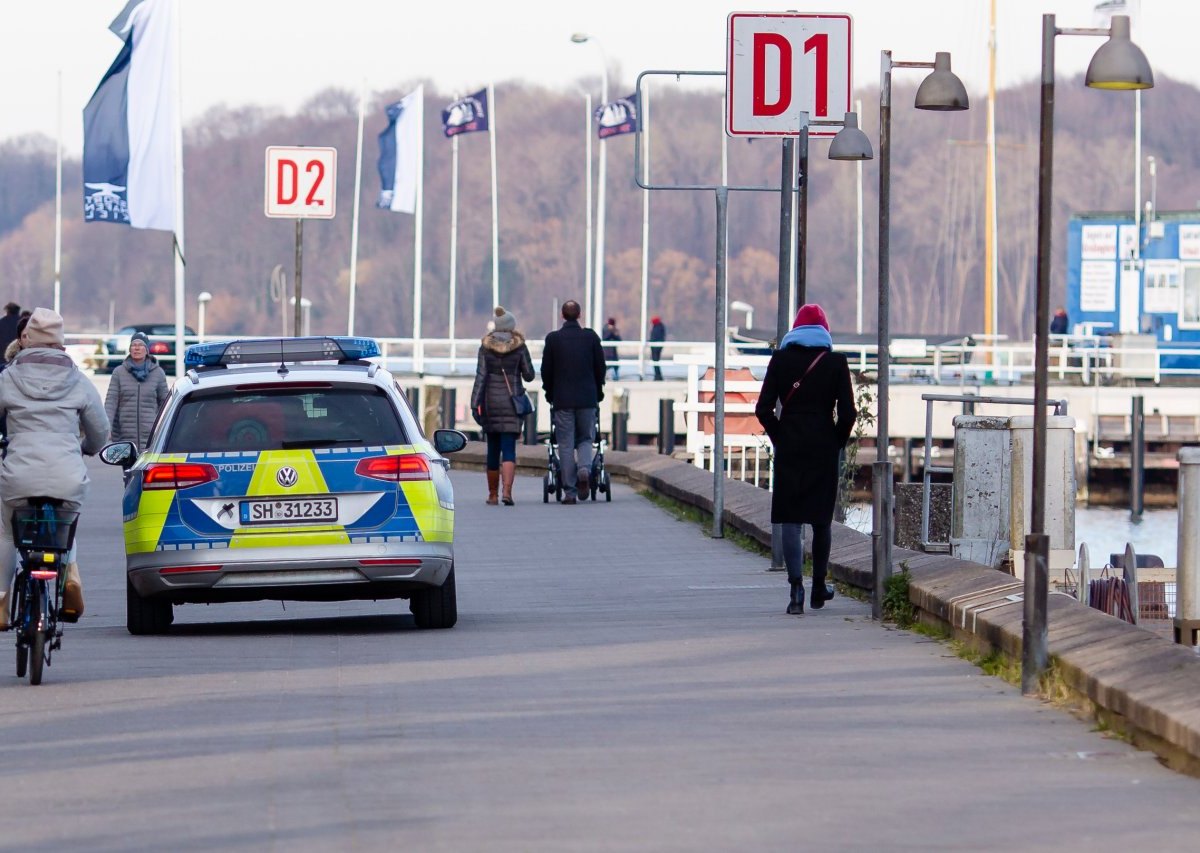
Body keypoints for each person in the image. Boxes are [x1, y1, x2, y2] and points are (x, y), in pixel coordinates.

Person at [0, 308, 109, 627]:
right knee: (66, 522)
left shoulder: (9, 377)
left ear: (27, 339)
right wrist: (86, 447)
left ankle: (2, 602)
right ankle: (71, 575)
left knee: (7, 531)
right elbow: (100, 432)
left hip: (19, 474)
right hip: (67, 474)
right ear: (60, 342)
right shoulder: (78, 379)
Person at [755, 303, 856, 615]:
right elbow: (849, 413)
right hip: (823, 443)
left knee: (790, 516)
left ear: (795, 330)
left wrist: (780, 436)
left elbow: (763, 408)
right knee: (821, 519)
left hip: (790, 444)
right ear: (824, 331)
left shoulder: (780, 360)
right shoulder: (836, 362)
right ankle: (818, 589)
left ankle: (795, 587)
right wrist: (836, 441)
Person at [541, 300, 606, 505]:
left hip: (562, 399)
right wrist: (598, 390)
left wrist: (549, 392)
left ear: (562, 315)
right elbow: (600, 367)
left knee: (566, 444)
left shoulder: (553, 339)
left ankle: (570, 491)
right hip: (587, 398)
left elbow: (546, 371)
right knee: (586, 438)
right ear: (579, 315)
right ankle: (585, 469)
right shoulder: (591, 337)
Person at [470, 306, 535, 506]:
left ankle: (492, 495)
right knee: (509, 450)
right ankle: (507, 492)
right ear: (511, 326)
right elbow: (529, 375)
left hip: (490, 402)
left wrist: (475, 404)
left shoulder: (485, 347)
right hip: (512, 402)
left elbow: (480, 378)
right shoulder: (520, 347)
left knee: (492, 450)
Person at [105, 331, 171, 450]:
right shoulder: (119, 372)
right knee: (129, 468)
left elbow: (165, 404)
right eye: (133, 345)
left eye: (140, 345)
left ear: (146, 349)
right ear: (130, 349)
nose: (136, 348)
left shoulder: (158, 373)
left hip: (151, 436)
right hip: (124, 435)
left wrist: (166, 428)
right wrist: (106, 426)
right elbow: (111, 401)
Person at [649, 315, 667, 381]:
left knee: (656, 361)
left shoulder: (658, 327)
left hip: (656, 348)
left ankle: (658, 376)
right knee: (656, 362)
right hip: (656, 347)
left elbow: (655, 337)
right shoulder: (660, 327)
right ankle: (658, 376)